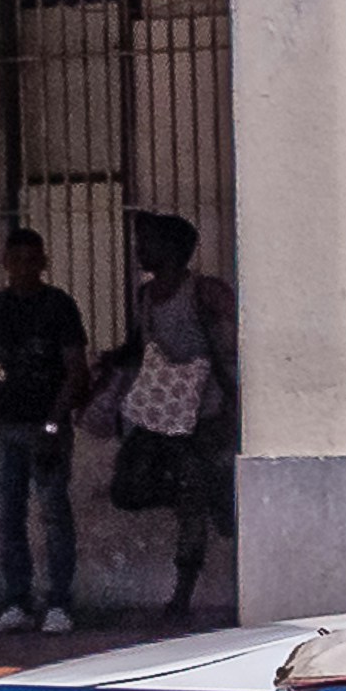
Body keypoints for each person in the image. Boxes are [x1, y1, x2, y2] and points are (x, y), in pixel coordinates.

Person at [100, 213, 239, 628]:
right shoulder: (146, 295)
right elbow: (142, 348)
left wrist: (232, 400)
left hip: (204, 412)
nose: (140, 250)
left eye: (148, 242)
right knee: (127, 487)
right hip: (162, 411)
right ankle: (214, 494)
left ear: (174, 249)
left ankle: (181, 596)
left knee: (190, 502)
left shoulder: (205, 292)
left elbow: (233, 344)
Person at [0, 226, 86, 633]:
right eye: (15, 260)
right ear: (5, 263)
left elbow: (76, 370)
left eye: (31, 260)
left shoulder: (59, 305)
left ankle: (59, 602)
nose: (23, 268)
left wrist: (54, 424)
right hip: (8, 423)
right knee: (9, 515)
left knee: (54, 513)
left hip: (46, 423)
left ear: (42, 263)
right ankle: (17, 600)